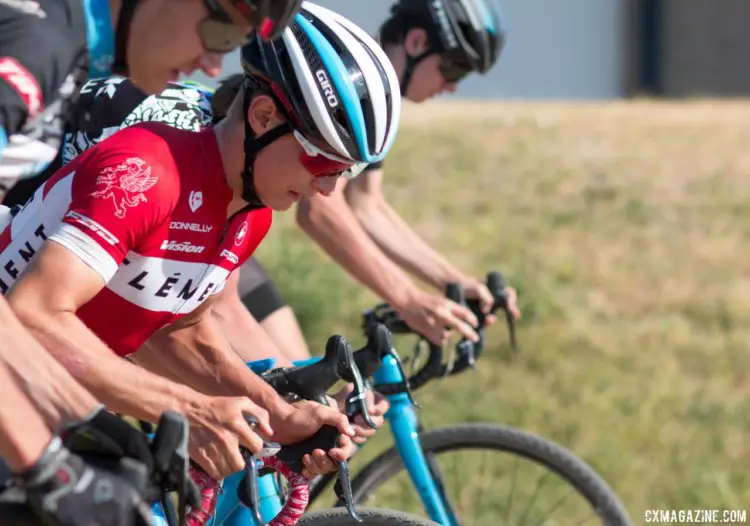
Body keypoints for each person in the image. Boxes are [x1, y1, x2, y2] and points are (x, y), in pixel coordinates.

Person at [0, 2, 401, 520]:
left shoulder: (249, 215)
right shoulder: (147, 172)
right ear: (262, 118)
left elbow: (176, 331)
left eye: (343, 173)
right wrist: (187, 409)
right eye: (322, 162)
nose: (327, 190)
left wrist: (276, 415)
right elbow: (35, 314)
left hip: (47, 407)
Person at [211, 0, 519, 363]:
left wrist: (452, 282)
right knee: (275, 386)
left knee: (291, 371)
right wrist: (405, 297)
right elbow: (322, 212)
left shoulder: (374, 101)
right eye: (455, 67)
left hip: (233, 238)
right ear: (417, 43)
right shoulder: (346, 94)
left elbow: (366, 205)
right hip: (199, 213)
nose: (452, 86)